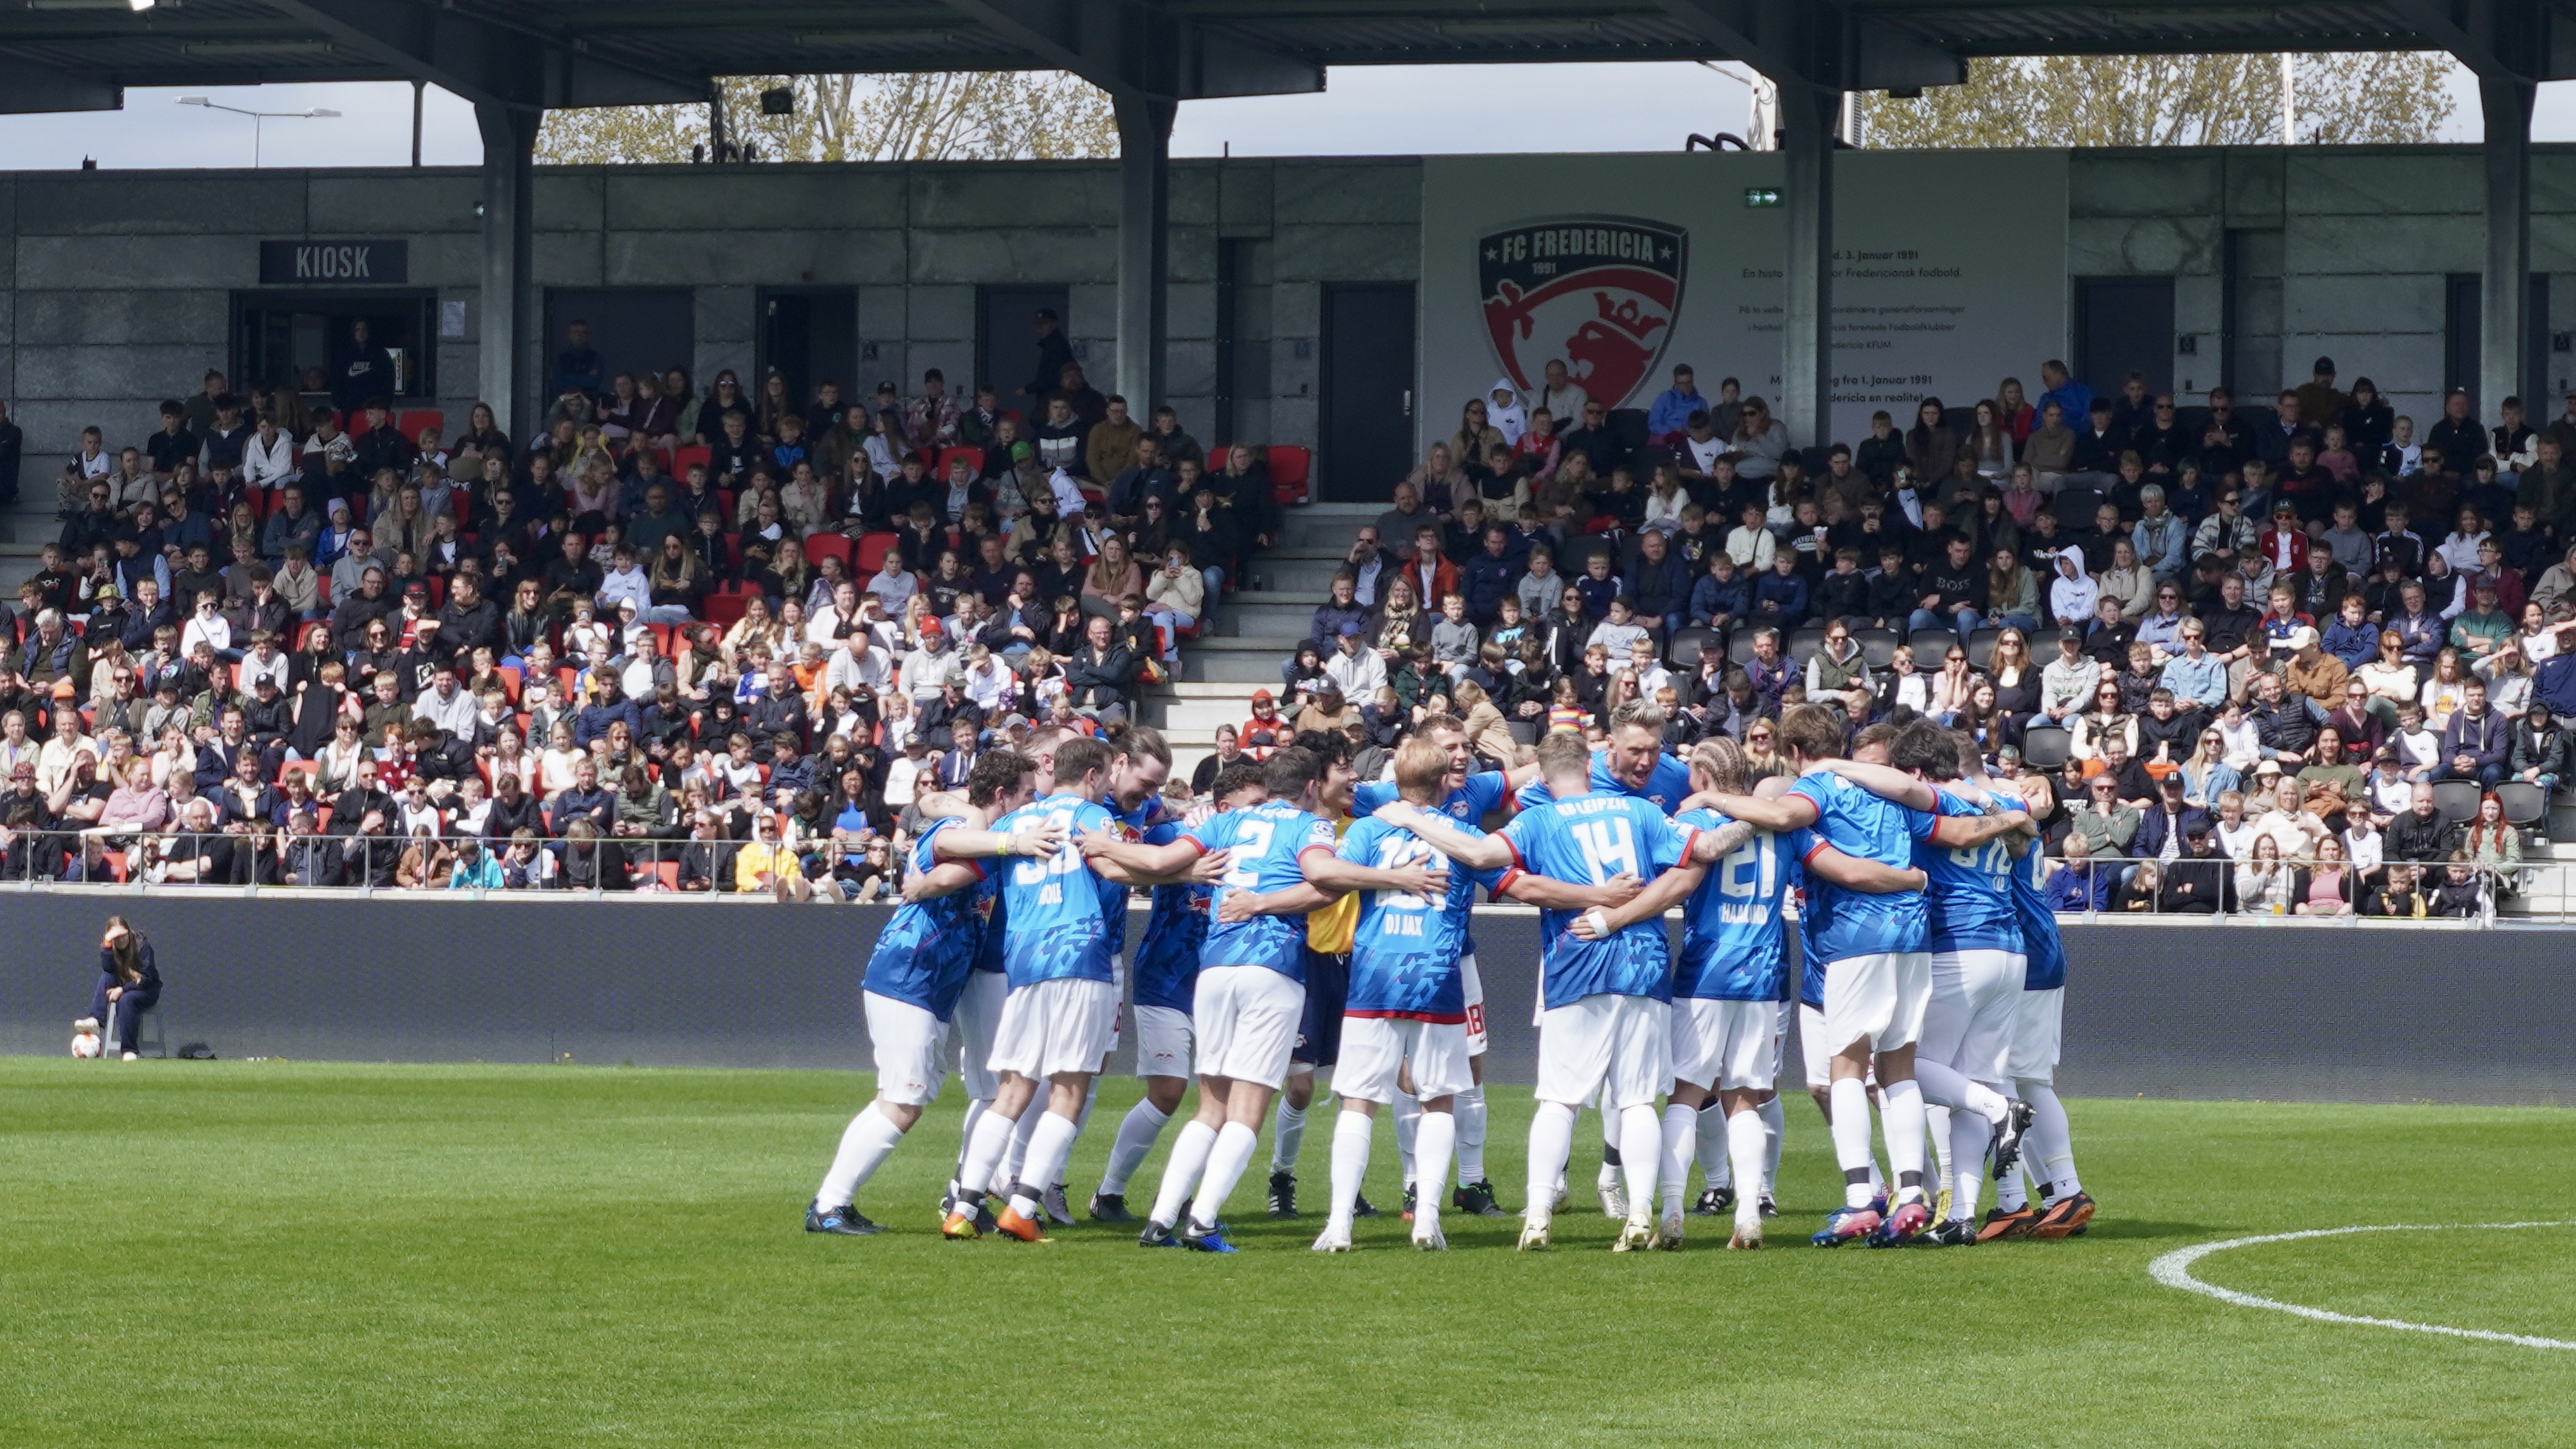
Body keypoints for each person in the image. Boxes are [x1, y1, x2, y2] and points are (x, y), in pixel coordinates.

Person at [1694, 706, 2032, 1247]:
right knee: (1897, 1067)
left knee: (1846, 1067)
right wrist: (2012, 817)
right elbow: (1961, 830)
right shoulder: (1890, 792)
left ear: (1796, 753)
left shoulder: (1818, 790)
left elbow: (1798, 830)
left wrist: (1714, 799)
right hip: (1915, 940)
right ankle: (1912, 1194)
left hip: (1856, 941)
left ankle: (1859, 1200)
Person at [805, 751, 1058, 1237]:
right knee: (903, 1101)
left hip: (923, 978)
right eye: (1026, 793)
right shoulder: (971, 835)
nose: (1033, 801)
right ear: (1002, 795)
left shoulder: (974, 829)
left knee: (900, 1096)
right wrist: (1015, 843)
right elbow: (947, 849)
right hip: (910, 974)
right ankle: (830, 1204)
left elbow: (941, 815)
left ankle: (844, 1201)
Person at [87, 915, 160, 1061]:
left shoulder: (142, 946)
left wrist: (122, 990)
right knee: (106, 977)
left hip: (146, 990)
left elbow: (147, 978)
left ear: (128, 932)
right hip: (123, 984)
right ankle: (96, 1020)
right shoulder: (112, 948)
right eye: (116, 938)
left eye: (123, 936)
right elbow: (108, 969)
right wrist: (107, 948)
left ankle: (130, 1050)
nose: (121, 940)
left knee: (126, 1000)